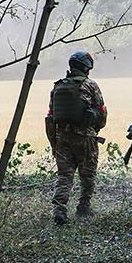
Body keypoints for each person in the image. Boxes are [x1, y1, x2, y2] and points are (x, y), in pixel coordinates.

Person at [45, 51, 107, 225]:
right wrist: (95, 129)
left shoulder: (57, 87)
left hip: (62, 138)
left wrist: (54, 142)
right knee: (88, 175)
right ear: (87, 67)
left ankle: (59, 210)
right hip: (85, 138)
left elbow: (50, 118)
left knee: (64, 176)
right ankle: (83, 207)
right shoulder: (90, 85)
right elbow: (102, 112)